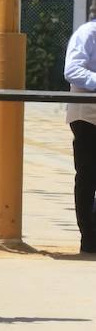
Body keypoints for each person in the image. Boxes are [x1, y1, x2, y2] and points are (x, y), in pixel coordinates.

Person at [64, 17, 96, 254]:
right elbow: (72, 69)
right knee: (87, 177)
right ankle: (89, 239)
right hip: (87, 117)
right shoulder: (87, 34)